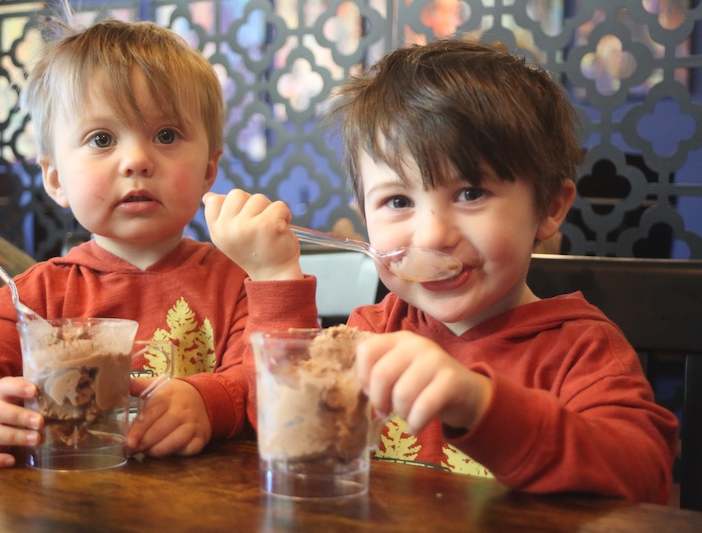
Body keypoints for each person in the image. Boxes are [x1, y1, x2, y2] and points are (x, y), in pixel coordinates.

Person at [203, 39, 679, 503]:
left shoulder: (582, 351)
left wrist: (479, 404)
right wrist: (275, 274)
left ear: (549, 207)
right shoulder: (372, 334)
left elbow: (644, 475)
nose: (431, 236)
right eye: (398, 201)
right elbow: (294, 436)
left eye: (471, 193)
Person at [0, 17, 252, 468]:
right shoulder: (37, 294)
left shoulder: (237, 281)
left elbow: (264, 381)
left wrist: (208, 402)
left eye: (166, 135)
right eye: (102, 139)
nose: (136, 160)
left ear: (208, 171)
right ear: (55, 179)